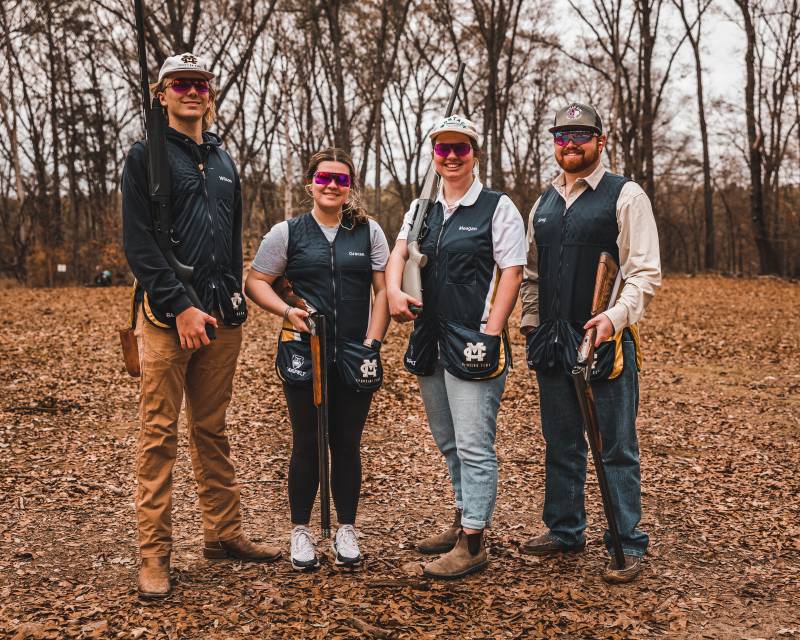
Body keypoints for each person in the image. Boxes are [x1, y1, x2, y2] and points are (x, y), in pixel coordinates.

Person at [122, 52, 281, 599]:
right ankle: (154, 558)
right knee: (159, 436)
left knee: (211, 431)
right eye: (180, 84)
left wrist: (233, 294)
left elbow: (230, 236)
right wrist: (179, 305)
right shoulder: (144, 158)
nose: (191, 91)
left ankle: (224, 534)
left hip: (221, 317)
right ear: (161, 92)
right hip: (169, 319)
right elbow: (140, 247)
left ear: (209, 93)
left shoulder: (223, 158)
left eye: (200, 84)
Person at [519, 102, 661, 583]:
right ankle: (564, 530)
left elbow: (643, 273)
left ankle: (628, 541)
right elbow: (532, 274)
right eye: (562, 136)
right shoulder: (542, 203)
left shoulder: (626, 196)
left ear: (601, 141)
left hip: (607, 342)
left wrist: (613, 318)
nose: (571, 143)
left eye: (581, 134)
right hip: (553, 342)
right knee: (561, 442)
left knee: (615, 446)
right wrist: (531, 325)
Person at [386, 115, 526, 579]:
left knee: (474, 445)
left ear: (475, 153)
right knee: (449, 443)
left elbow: (512, 271)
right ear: (433, 154)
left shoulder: (497, 206)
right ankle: (464, 518)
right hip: (430, 337)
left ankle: (474, 544)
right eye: (442, 148)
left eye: (460, 149)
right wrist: (392, 291)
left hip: (473, 339)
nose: (450, 156)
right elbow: (399, 255)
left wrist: (491, 331)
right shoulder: (420, 207)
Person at [245, 148, 390, 571]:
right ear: (310, 183)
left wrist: (373, 340)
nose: (332, 185)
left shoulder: (369, 232)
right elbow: (256, 281)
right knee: (307, 442)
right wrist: (286, 311)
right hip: (303, 351)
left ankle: (346, 528)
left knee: (346, 443)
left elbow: (382, 290)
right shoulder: (286, 233)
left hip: (355, 350)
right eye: (324, 178)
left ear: (350, 188)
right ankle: (300, 531)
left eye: (341, 180)